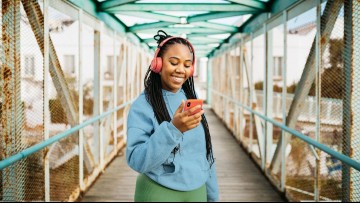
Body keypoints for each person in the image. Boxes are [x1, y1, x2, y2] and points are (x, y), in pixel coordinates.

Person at [126, 30, 219, 202]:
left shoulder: (190, 97)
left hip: (197, 191)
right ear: (158, 64)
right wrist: (174, 130)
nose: (180, 70)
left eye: (186, 64)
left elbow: (204, 152)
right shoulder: (143, 105)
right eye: (174, 62)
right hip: (157, 193)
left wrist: (213, 196)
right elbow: (136, 160)